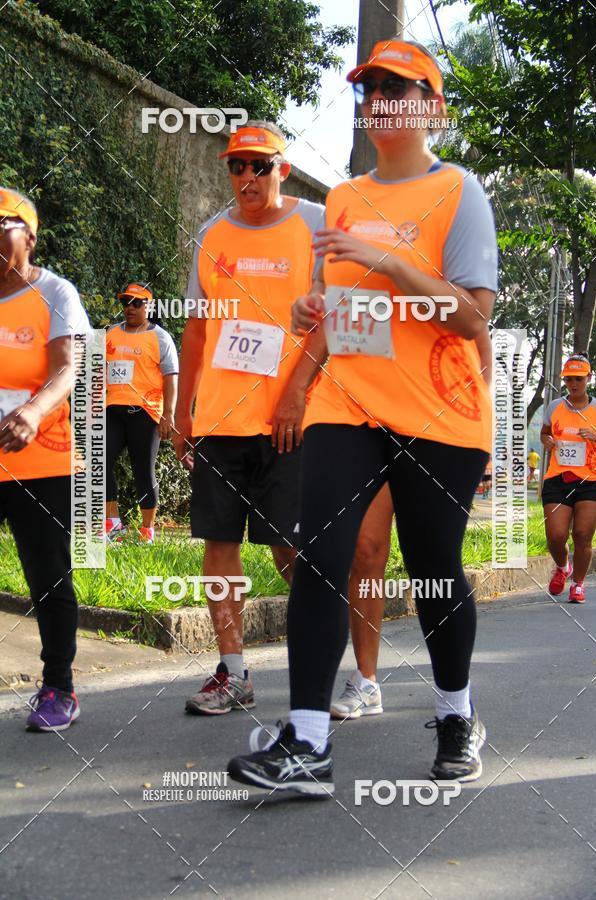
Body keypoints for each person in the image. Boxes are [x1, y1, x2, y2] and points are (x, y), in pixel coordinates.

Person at [228, 40, 498, 794]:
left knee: (434, 567)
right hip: (347, 401)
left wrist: (391, 263)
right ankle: (307, 743)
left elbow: (472, 317)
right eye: (368, 88)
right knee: (322, 553)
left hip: (439, 411)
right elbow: (336, 302)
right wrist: (308, 310)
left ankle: (455, 713)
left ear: (432, 106)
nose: (377, 99)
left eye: (395, 87)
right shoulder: (346, 197)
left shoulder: (460, 192)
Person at [175, 122, 325, 714]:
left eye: (260, 166)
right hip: (220, 419)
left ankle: (324, 658)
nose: (247, 177)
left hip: (287, 421)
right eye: (237, 166)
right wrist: (183, 411)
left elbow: (333, 318)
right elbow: (196, 328)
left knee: (290, 550)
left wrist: (298, 395)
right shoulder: (212, 234)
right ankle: (233, 672)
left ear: (282, 170)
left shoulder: (314, 225)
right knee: (219, 542)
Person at [331, 336, 492, 721]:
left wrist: (470, 411)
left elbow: (478, 337)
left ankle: (455, 692)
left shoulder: (441, 298)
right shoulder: (356, 296)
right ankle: (366, 680)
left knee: (433, 563)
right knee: (365, 549)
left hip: (433, 426)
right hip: (368, 421)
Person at [0, 187, 90, 731]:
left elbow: (67, 370)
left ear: (29, 237)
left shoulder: (55, 292)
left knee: (48, 578)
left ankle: (59, 686)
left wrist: (33, 411)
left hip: (41, 463)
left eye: (1, 224)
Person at [105, 282, 178, 543]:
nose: (130, 307)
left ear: (149, 306)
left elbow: (171, 377)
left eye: (137, 303)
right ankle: (113, 525)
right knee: (99, 460)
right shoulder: (111, 333)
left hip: (145, 411)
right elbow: (97, 370)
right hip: (113, 409)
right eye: (126, 302)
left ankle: (147, 530)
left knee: (143, 471)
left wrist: (168, 414)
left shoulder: (160, 337)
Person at [541, 354, 596, 603]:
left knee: (583, 534)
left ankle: (578, 584)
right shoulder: (555, 406)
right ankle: (563, 567)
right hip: (558, 479)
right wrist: (547, 441)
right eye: (568, 379)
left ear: (588, 378)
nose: (573, 384)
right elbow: (545, 433)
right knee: (556, 536)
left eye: (578, 379)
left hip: (591, 480)